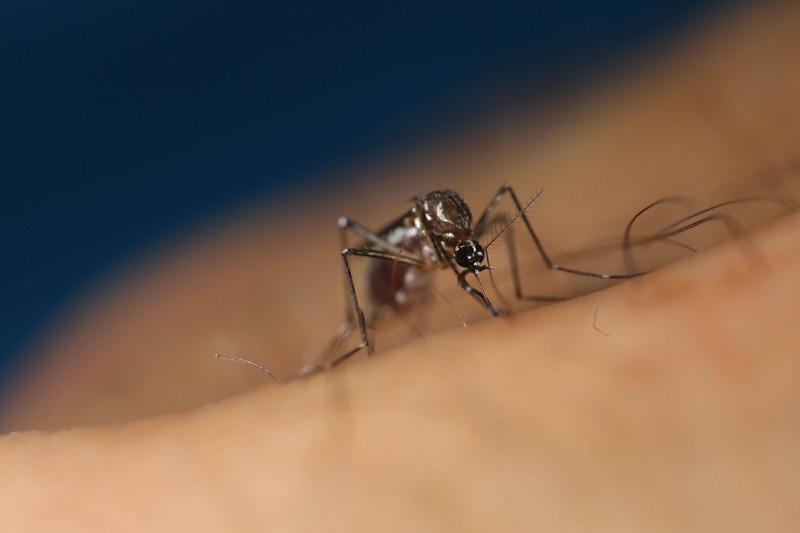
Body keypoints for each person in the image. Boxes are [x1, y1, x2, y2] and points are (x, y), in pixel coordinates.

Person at [1, 3, 799, 530]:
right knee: (356, 237)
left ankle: (463, 306)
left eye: (474, 258)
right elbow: (371, 241)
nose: (473, 260)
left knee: (506, 197)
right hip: (388, 266)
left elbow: (488, 218)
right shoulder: (423, 244)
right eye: (470, 257)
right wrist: (382, 318)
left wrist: (526, 280)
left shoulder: (474, 224)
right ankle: (359, 348)